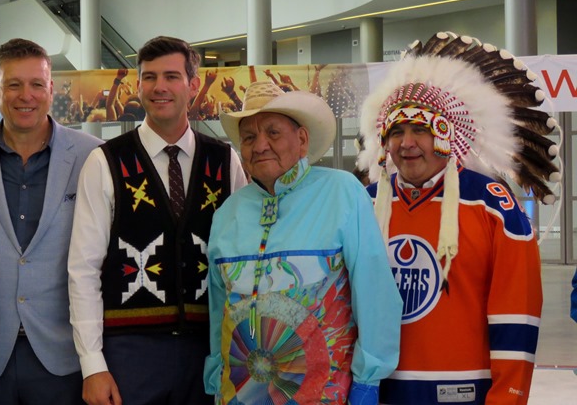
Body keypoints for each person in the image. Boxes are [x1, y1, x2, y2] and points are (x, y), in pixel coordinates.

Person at [357, 32, 549, 404]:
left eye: (422, 129)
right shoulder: (363, 205)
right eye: (396, 131)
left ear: (449, 135)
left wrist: (507, 397)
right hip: (375, 392)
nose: (407, 143)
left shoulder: (493, 206)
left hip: (464, 393)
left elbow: (517, 312)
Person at [67, 35, 248, 405]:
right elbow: (83, 269)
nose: (159, 87)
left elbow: (244, 260)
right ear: (138, 85)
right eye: (149, 77)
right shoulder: (105, 162)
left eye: (170, 76)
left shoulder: (225, 161)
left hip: (210, 348)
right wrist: (92, 364)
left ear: (193, 86)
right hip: (129, 353)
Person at [204, 81, 402, 405]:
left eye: (273, 133)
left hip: (325, 395)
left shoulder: (342, 193)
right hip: (239, 396)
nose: (261, 145)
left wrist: (369, 382)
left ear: (302, 139)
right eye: (250, 137)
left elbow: (375, 294)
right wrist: (215, 380)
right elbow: (218, 309)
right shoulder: (228, 213)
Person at [0, 38, 103, 405]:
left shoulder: (92, 156)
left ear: (51, 90)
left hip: (63, 354)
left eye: (36, 84)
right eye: (13, 84)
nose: (24, 95)